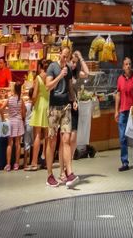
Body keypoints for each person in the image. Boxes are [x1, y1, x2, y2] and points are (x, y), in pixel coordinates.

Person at [45, 44, 78, 188]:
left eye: (67, 57)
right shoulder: (52, 67)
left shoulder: (69, 69)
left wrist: (74, 99)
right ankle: (49, 174)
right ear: (59, 54)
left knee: (66, 139)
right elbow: (48, 86)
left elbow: (70, 86)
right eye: (63, 56)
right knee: (52, 141)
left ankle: (69, 172)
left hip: (65, 106)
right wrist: (60, 75)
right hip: (53, 107)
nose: (65, 59)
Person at [115, 55, 133, 172]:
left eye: (129, 64)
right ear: (123, 66)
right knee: (122, 137)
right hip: (123, 111)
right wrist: (116, 111)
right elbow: (118, 95)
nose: (128, 66)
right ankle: (124, 162)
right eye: (126, 64)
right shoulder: (120, 79)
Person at [27, 59, 49, 170]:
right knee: (47, 136)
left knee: (37, 135)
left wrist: (32, 103)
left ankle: (34, 162)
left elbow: (34, 95)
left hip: (39, 106)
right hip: (47, 105)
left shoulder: (38, 78)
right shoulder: (50, 77)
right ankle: (45, 160)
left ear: (40, 66)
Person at [4, 82, 25, 171]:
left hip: (10, 121)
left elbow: (1, 108)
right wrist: (22, 118)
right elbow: (23, 112)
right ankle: (16, 164)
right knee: (17, 143)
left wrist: (2, 118)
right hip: (19, 121)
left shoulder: (9, 99)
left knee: (9, 144)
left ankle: (8, 164)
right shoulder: (21, 100)